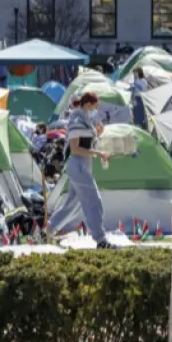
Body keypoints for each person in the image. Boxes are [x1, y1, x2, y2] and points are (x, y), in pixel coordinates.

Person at [66, 92, 114, 249]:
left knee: (70, 205)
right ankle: (101, 239)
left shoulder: (85, 118)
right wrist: (99, 153)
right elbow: (76, 149)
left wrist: (97, 135)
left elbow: (87, 144)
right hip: (79, 166)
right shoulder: (77, 119)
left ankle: (48, 230)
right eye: (95, 106)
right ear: (88, 104)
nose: (96, 110)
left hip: (83, 166)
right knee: (94, 202)